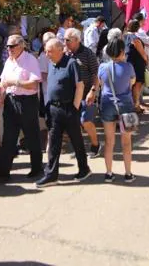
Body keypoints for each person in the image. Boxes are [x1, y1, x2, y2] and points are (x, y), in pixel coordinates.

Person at [36, 38, 91, 188]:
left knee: (76, 140)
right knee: (53, 142)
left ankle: (84, 168)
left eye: (50, 51)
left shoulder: (71, 63)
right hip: (54, 109)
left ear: (60, 50)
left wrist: (75, 107)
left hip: (68, 108)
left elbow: (80, 86)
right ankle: (51, 174)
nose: (46, 54)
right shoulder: (51, 63)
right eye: (46, 50)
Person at [0, 35, 43, 182]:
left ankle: (36, 169)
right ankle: (3, 172)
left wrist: (16, 82)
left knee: (32, 136)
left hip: (27, 101)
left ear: (21, 46)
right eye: (7, 46)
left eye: (12, 46)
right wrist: (1, 98)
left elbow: (34, 85)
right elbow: (3, 82)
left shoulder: (30, 60)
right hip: (11, 101)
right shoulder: (9, 61)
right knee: (8, 137)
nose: (9, 49)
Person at [98, 39, 137, 182]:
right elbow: (132, 83)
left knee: (109, 141)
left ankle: (108, 173)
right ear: (122, 52)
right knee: (127, 141)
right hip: (126, 105)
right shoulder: (128, 67)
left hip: (107, 104)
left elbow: (101, 84)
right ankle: (128, 173)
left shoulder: (102, 67)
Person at [64, 28, 102, 158]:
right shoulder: (66, 54)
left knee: (85, 120)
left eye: (67, 40)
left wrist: (93, 91)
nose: (65, 42)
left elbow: (96, 74)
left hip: (87, 94)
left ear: (76, 40)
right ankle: (79, 150)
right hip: (71, 96)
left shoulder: (87, 53)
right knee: (74, 124)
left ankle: (95, 145)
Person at [124, 20, 149, 114]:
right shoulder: (134, 38)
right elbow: (142, 52)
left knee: (129, 85)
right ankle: (136, 106)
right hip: (136, 64)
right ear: (137, 27)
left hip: (126, 64)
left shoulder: (123, 36)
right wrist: (146, 60)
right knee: (137, 84)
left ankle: (131, 105)